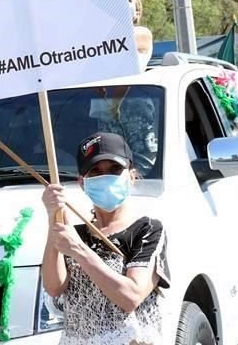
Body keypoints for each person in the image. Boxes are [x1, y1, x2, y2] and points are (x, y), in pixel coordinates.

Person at [41, 132, 169, 345]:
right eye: (96, 172)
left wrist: (80, 251)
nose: (105, 177)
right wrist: (53, 218)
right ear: (82, 182)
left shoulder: (147, 229)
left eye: (114, 170)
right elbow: (54, 287)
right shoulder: (76, 233)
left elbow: (131, 297)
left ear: (132, 176)